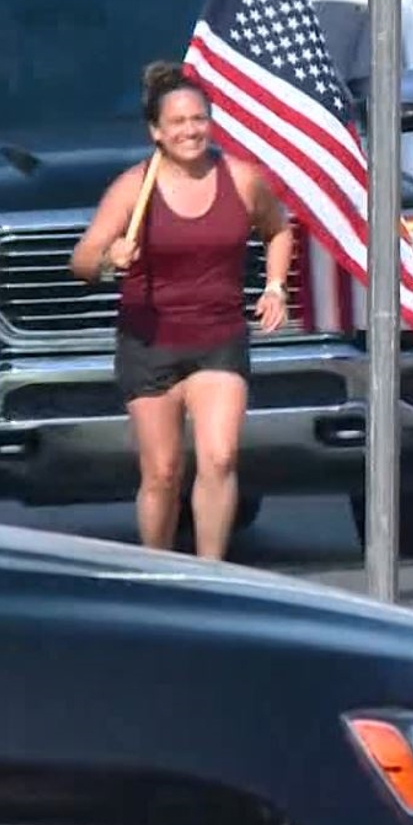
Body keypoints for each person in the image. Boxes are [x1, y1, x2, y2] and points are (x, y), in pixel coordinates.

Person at [71, 61, 294, 560]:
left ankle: (211, 575)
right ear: (156, 131)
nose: (191, 131)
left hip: (218, 337)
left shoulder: (241, 179)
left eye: (199, 119)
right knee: (163, 472)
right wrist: (110, 259)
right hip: (149, 345)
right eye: (178, 123)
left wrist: (275, 286)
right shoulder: (134, 186)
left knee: (219, 457)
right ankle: (159, 573)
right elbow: (81, 261)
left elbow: (279, 229)